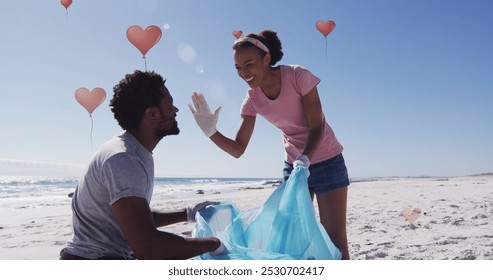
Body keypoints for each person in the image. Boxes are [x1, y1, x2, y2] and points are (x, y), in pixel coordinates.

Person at [189, 30, 350, 259]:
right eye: (237, 67)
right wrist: (211, 131)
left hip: (326, 161)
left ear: (266, 58)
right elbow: (238, 149)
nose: (243, 72)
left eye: (249, 64)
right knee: (290, 239)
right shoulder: (252, 99)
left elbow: (317, 126)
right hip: (293, 168)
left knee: (335, 240)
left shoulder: (298, 76)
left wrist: (305, 159)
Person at [60, 70, 223, 260]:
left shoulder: (133, 151)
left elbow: (135, 219)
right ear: (152, 114)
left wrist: (188, 213)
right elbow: (148, 248)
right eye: (170, 105)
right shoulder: (124, 159)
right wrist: (215, 244)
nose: (176, 110)